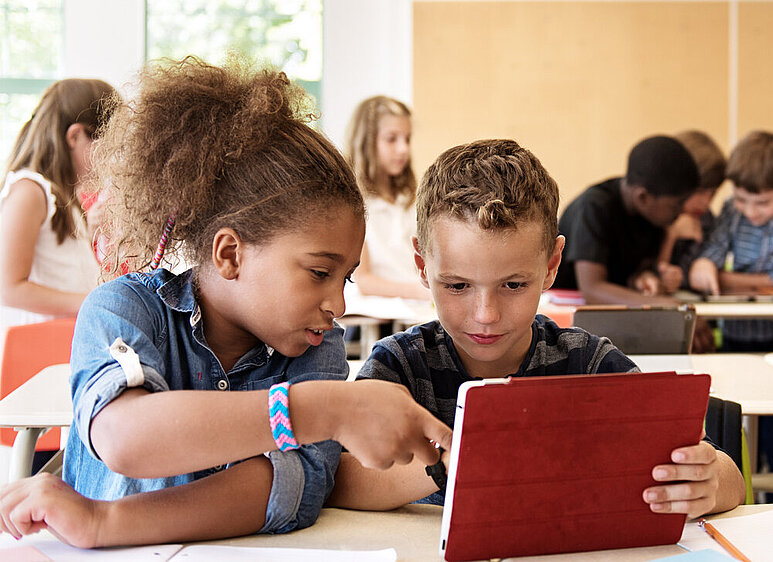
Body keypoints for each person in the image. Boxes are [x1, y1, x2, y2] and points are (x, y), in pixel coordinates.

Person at [0, 57, 450, 547]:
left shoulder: (317, 349)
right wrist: (326, 409)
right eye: (320, 273)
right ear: (230, 254)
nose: (337, 305)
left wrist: (107, 523)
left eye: (345, 278)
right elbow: (126, 438)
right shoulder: (122, 310)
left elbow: (287, 489)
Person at [333, 139, 745, 517]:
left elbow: (728, 477)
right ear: (423, 266)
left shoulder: (587, 363)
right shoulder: (399, 367)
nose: (486, 314)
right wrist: (453, 463)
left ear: (551, 265)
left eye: (513, 285)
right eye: (457, 286)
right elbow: (340, 480)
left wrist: (710, 481)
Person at [688, 130, 773, 489]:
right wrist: (709, 269)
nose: (750, 211)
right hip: (734, 336)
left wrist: (729, 279)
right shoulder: (732, 209)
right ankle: (740, 497)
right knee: (734, 426)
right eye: (743, 200)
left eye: (762, 203)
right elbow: (709, 262)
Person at [553, 135, 715, 351]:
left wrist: (645, 279)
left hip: (614, 322)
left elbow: (636, 271)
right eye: (676, 204)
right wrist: (669, 307)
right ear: (643, 197)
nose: (683, 210)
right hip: (567, 324)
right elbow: (592, 288)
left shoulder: (654, 217)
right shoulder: (595, 207)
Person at [0, 79, 116, 331]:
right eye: (106, 148)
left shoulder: (67, 200)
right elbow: (8, 288)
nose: (108, 161)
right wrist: (95, 301)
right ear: (75, 136)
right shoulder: (30, 191)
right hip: (37, 350)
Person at [344, 95, 428, 300]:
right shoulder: (352, 203)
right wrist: (423, 292)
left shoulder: (409, 200)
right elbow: (363, 281)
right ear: (366, 142)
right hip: (377, 322)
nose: (403, 149)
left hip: (416, 313)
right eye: (392, 139)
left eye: (407, 139)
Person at [635, 130, 727, 296]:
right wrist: (671, 236)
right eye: (699, 192)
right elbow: (643, 277)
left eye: (712, 193)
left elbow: (694, 280)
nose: (706, 203)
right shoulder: (650, 213)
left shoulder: (705, 219)